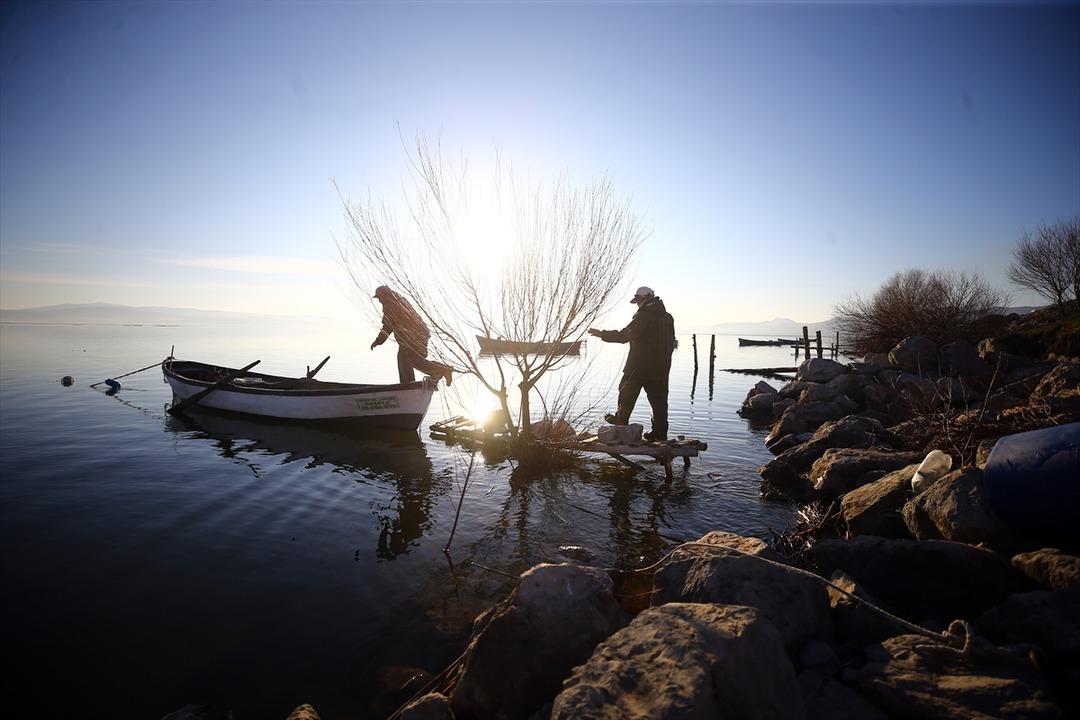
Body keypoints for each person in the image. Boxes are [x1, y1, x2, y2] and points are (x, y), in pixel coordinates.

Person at [588, 286, 675, 442]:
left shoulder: (643, 316)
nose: (637, 304)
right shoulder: (668, 318)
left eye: (637, 301)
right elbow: (671, 343)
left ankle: (621, 427)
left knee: (626, 395)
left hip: (638, 367)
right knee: (659, 403)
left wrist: (602, 334)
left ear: (643, 299)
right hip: (661, 369)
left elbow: (625, 335)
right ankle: (659, 434)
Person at [370, 286, 453, 386]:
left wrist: (378, 341)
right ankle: (440, 371)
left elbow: (387, 327)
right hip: (419, 335)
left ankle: (409, 385)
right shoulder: (399, 301)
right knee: (413, 360)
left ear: (385, 295)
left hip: (412, 337)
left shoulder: (391, 305)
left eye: (380, 297)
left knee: (404, 359)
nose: (379, 300)